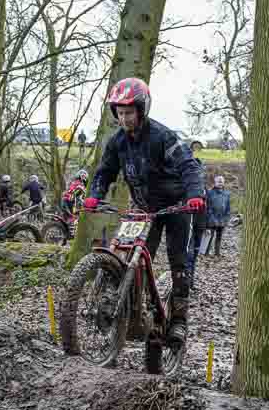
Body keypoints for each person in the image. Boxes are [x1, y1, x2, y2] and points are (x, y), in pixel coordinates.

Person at [83, 76, 204, 345]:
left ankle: (179, 322)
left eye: (129, 112)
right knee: (128, 253)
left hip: (176, 207)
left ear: (142, 109)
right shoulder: (117, 142)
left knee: (178, 262)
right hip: (144, 208)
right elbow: (104, 172)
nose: (125, 119)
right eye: (120, 113)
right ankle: (131, 308)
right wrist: (94, 196)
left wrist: (194, 194)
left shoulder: (162, 136)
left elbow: (188, 165)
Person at [187, 159, 207, 290]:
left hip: (200, 225)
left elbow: (206, 208)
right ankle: (185, 284)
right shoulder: (185, 187)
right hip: (187, 226)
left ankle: (191, 282)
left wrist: (207, 226)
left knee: (194, 255)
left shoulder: (204, 189)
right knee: (187, 255)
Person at [205, 174, 231, 256]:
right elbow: (208, 207)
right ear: (215, 182)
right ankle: (206, 253)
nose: (220, 183)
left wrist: (226, 218)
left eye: (222, 181)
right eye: (218, 181)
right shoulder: (210, 193)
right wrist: (212, 219)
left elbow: (228, 207)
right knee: (210, 237)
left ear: (224, 182)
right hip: (212, 218)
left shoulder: (227, 193)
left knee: (219, 237)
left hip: (222, 219)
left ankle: (217, 253)